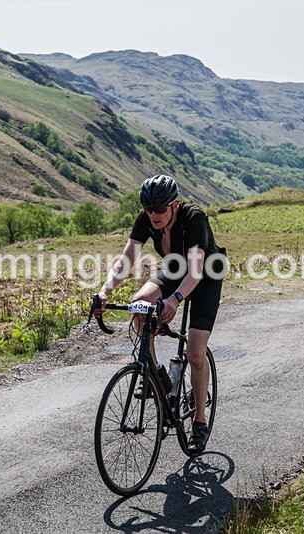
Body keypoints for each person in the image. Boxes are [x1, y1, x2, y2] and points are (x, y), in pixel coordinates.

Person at [94, 174, 225, 455]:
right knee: (140, 304)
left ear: (173, 205)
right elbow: (126, 259)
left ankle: (199, 422)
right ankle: (156, 375)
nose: (153, 215)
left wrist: (175, 300)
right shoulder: (146, 219)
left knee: (195, 353)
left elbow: (197, 271)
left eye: (160, 209)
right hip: (176, 270)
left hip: (206, 276)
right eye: (148, 209)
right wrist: (105, 291)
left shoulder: (194, 217)